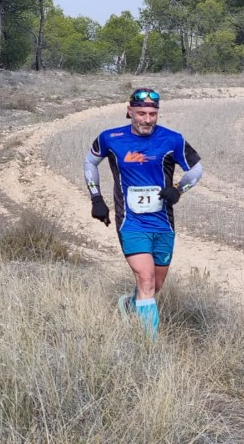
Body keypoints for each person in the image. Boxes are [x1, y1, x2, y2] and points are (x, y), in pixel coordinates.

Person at [83, 88, 203, 338]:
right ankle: (150, 347)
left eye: (152, 114)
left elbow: (196, 170)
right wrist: (96, 198)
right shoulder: (110, 138)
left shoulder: (173, 139)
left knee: (155, 285)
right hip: (130, 221)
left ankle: (129, 305)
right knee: (146, 279)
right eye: (141, 113)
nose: (147, 119)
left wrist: (179, 190)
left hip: (163, 223)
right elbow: (90, 162)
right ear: (129, 111)